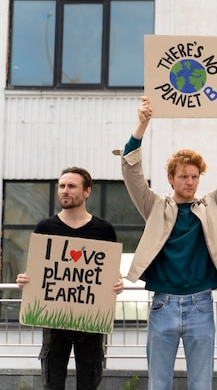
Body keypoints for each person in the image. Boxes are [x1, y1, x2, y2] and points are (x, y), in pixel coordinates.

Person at [121, 95, 217, 390]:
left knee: (201, 384)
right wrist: (142, 124)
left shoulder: (212, 204)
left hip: (201, 305)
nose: (190, 181)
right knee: (159, 384)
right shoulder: (154, 205)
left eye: (194, 176)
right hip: (162, 305)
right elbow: (131, 171)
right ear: (170, 178)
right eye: (183, 176)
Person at [16, 167, 124, 390]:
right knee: (52, 383)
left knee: (89, 383)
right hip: (53, 321)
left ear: (87, 192)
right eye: (62, 186)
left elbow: (109, 272)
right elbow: (38, 271)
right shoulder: (44, 228)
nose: (65, 191)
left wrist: (117, 282)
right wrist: (26, 281)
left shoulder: (104, 230)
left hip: (91, 322)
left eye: (71, 186)